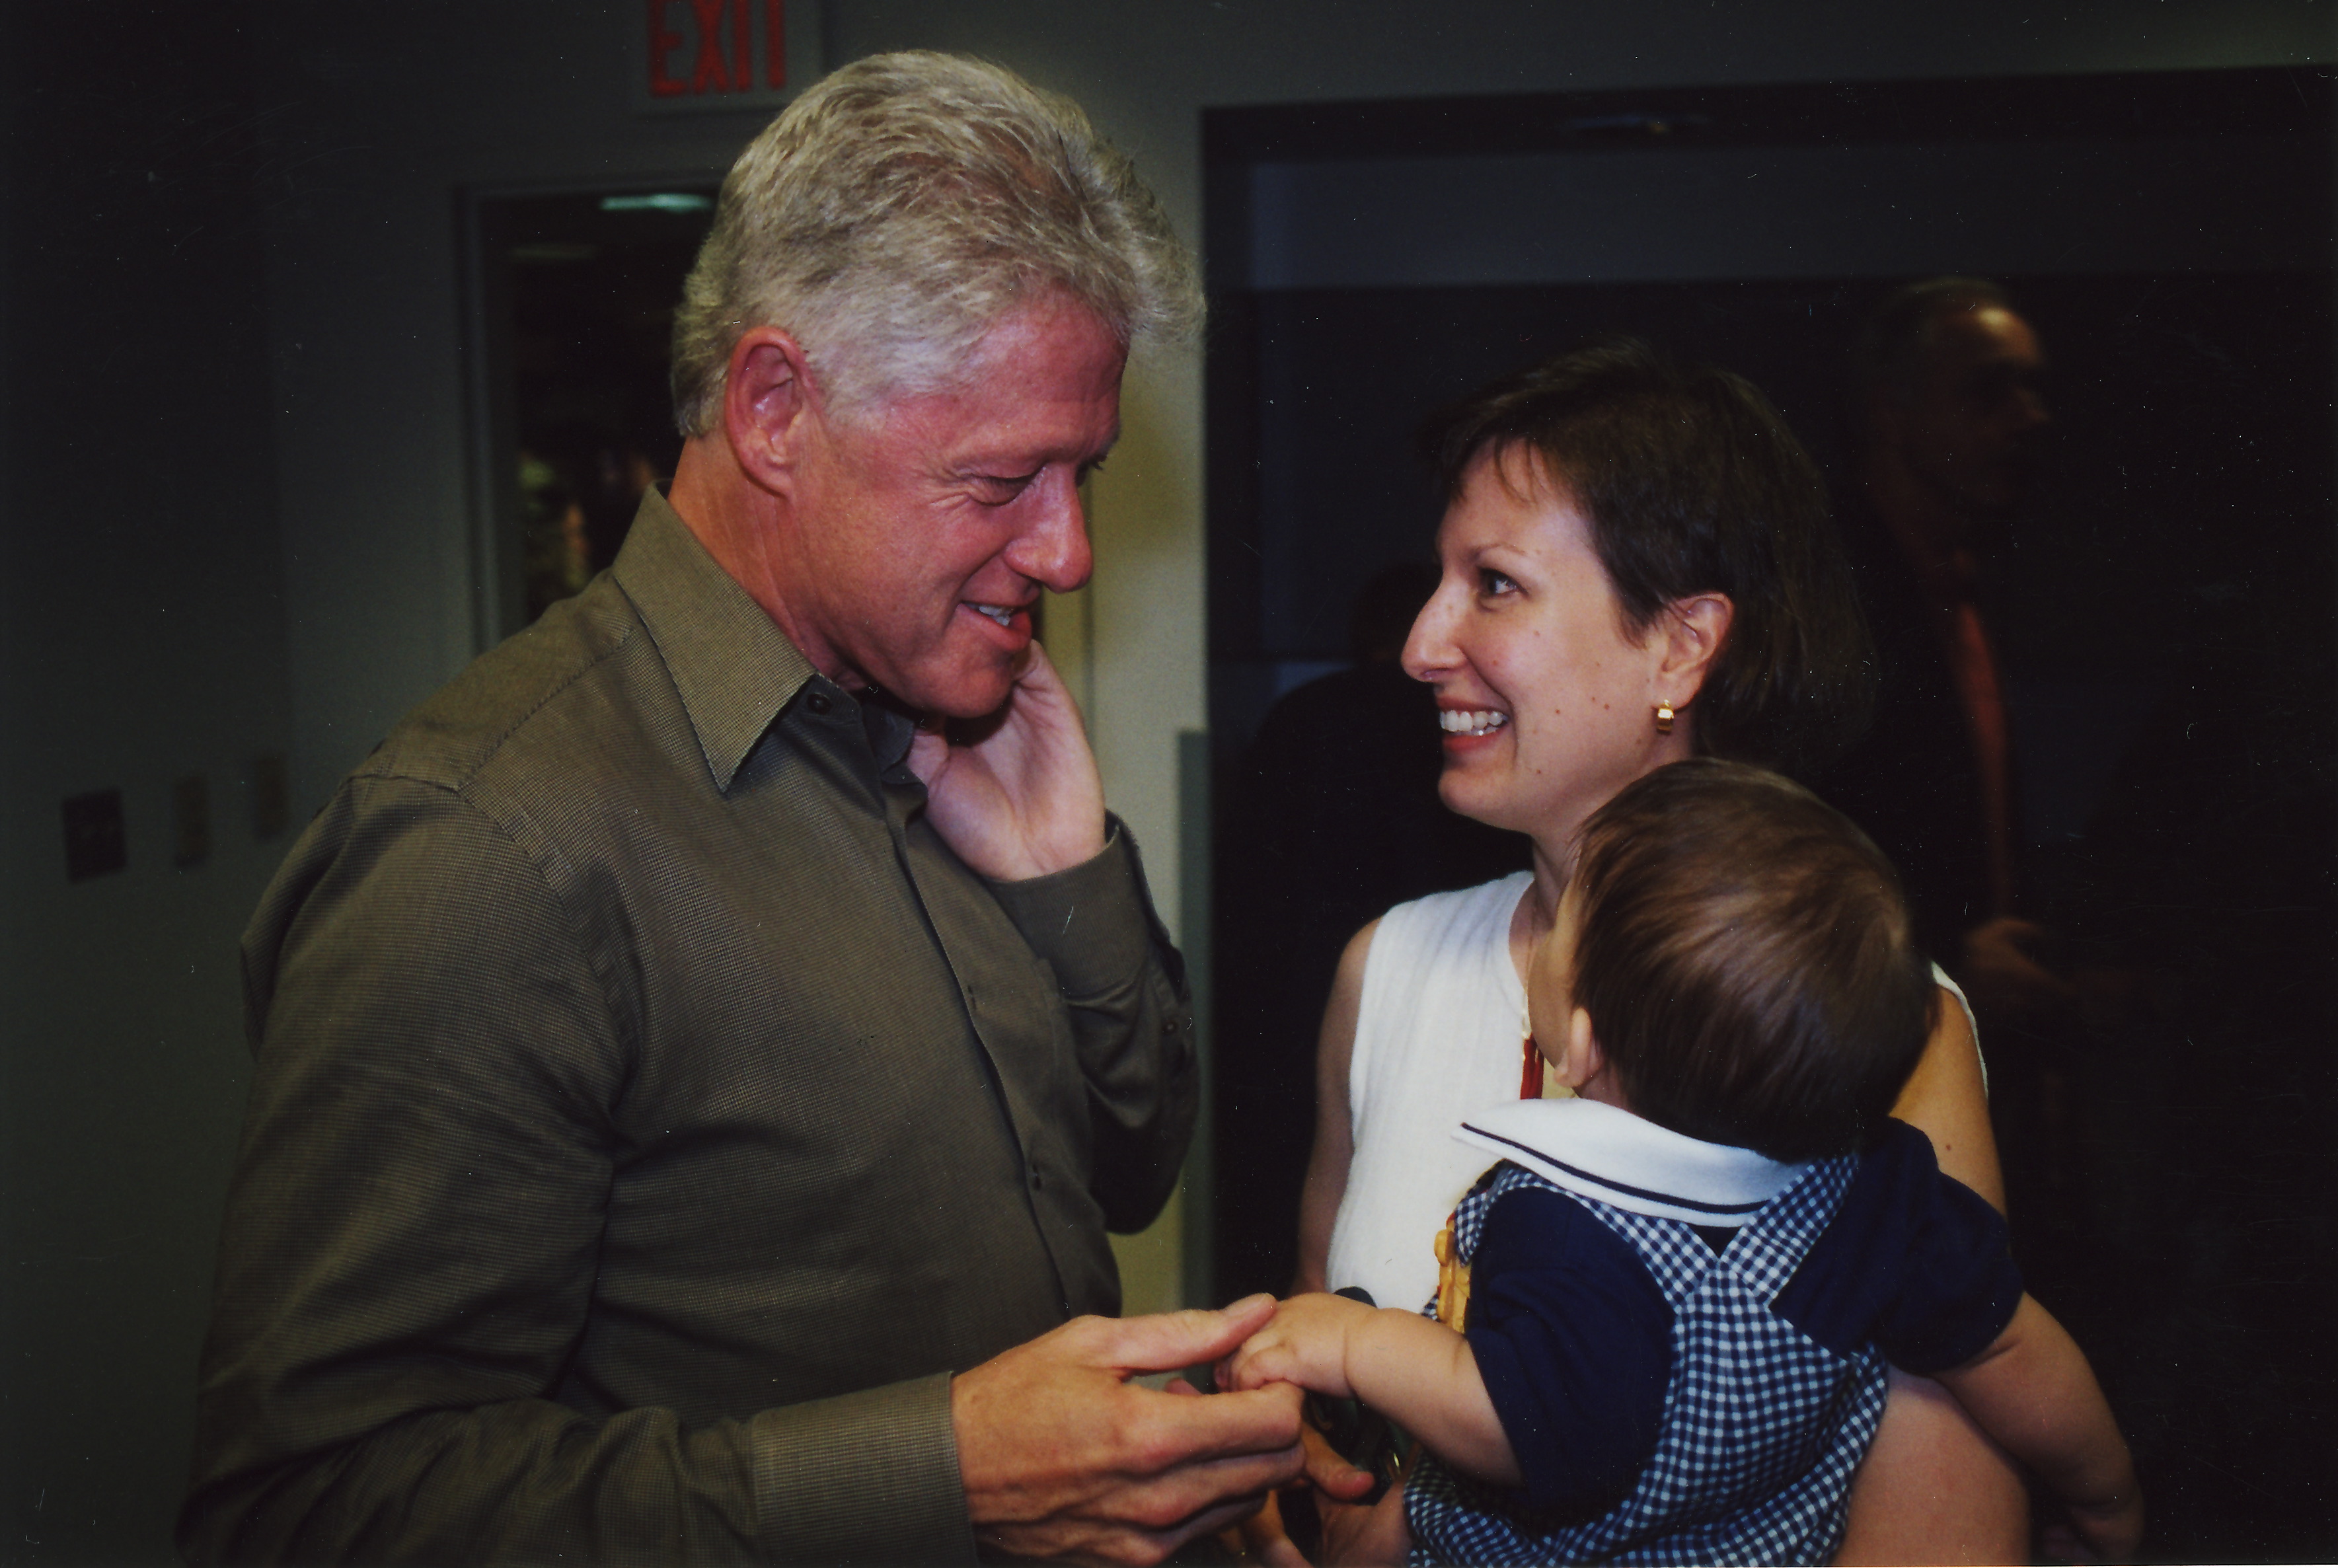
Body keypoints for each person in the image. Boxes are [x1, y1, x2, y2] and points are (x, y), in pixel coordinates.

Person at [179, 54, 1307, 1566]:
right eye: (1001, 480)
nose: (1068, 553)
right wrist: (943, 1476)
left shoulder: (945, 719)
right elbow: (308, 1506)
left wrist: (1066, 883)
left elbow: (1131, 1165)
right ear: (775, 409)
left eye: (1083, 473)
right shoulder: (489, 843)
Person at [1279, 340, 2026, 1563]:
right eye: (1440, 578)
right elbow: (1328, 1385)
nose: (1419, 643)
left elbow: (1941, 1530)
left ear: (1681, 645)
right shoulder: (1389, 969)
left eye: (1494, 584)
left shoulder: (1876, 1025)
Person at [1231, 760, 2141, 1565]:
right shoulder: (1876, 1194)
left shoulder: (1563, 1228)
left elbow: (1516, 1423)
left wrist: (1358, 1344)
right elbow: (2012, 1348)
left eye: (1563, 924)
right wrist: (2105, 1495)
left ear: (1580, 1042)